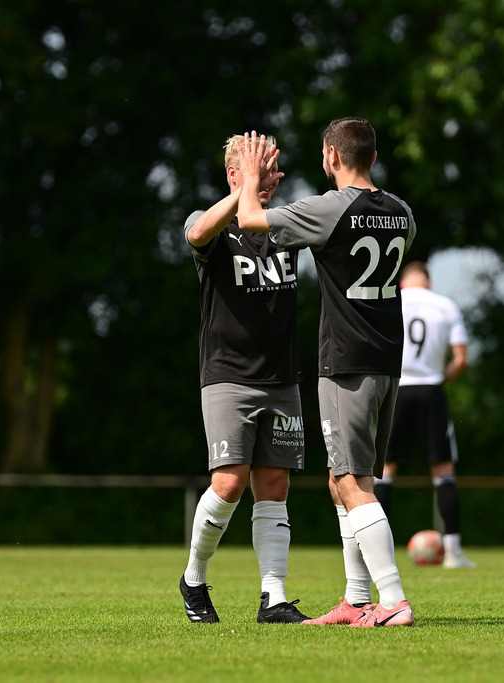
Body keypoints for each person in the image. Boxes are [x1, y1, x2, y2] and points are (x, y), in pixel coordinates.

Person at [236, 118, 417, 627]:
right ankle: (356, 600)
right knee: (344, 480)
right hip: (387, 360)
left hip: (347, 361)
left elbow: (249, 219)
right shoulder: (402, 212)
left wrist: (248, 174)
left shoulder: (331, 208)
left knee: (352, 482)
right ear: (373, 157)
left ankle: (393, 600)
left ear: (332, 156)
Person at [179, 133, 310, 625]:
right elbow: (196, 234)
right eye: (258, 167)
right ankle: (194, 579)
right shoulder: (212, 223)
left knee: (274, 485)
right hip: (228, 376)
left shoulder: (283, 224)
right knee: (230, 483)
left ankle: (273, 598)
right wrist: (245, 190)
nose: (269, 177)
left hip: (282, 377)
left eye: (273, 167)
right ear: (234, 174)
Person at [374, 261, 477, 569]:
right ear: (429, 283)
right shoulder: (445, 305)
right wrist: (439, 380)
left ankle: (375, 552)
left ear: (402, 282)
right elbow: (461, 359)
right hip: (431, 390)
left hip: (396, 388)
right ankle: (454, 552)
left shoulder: (390, 300)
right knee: (443, 470)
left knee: (385, 470)